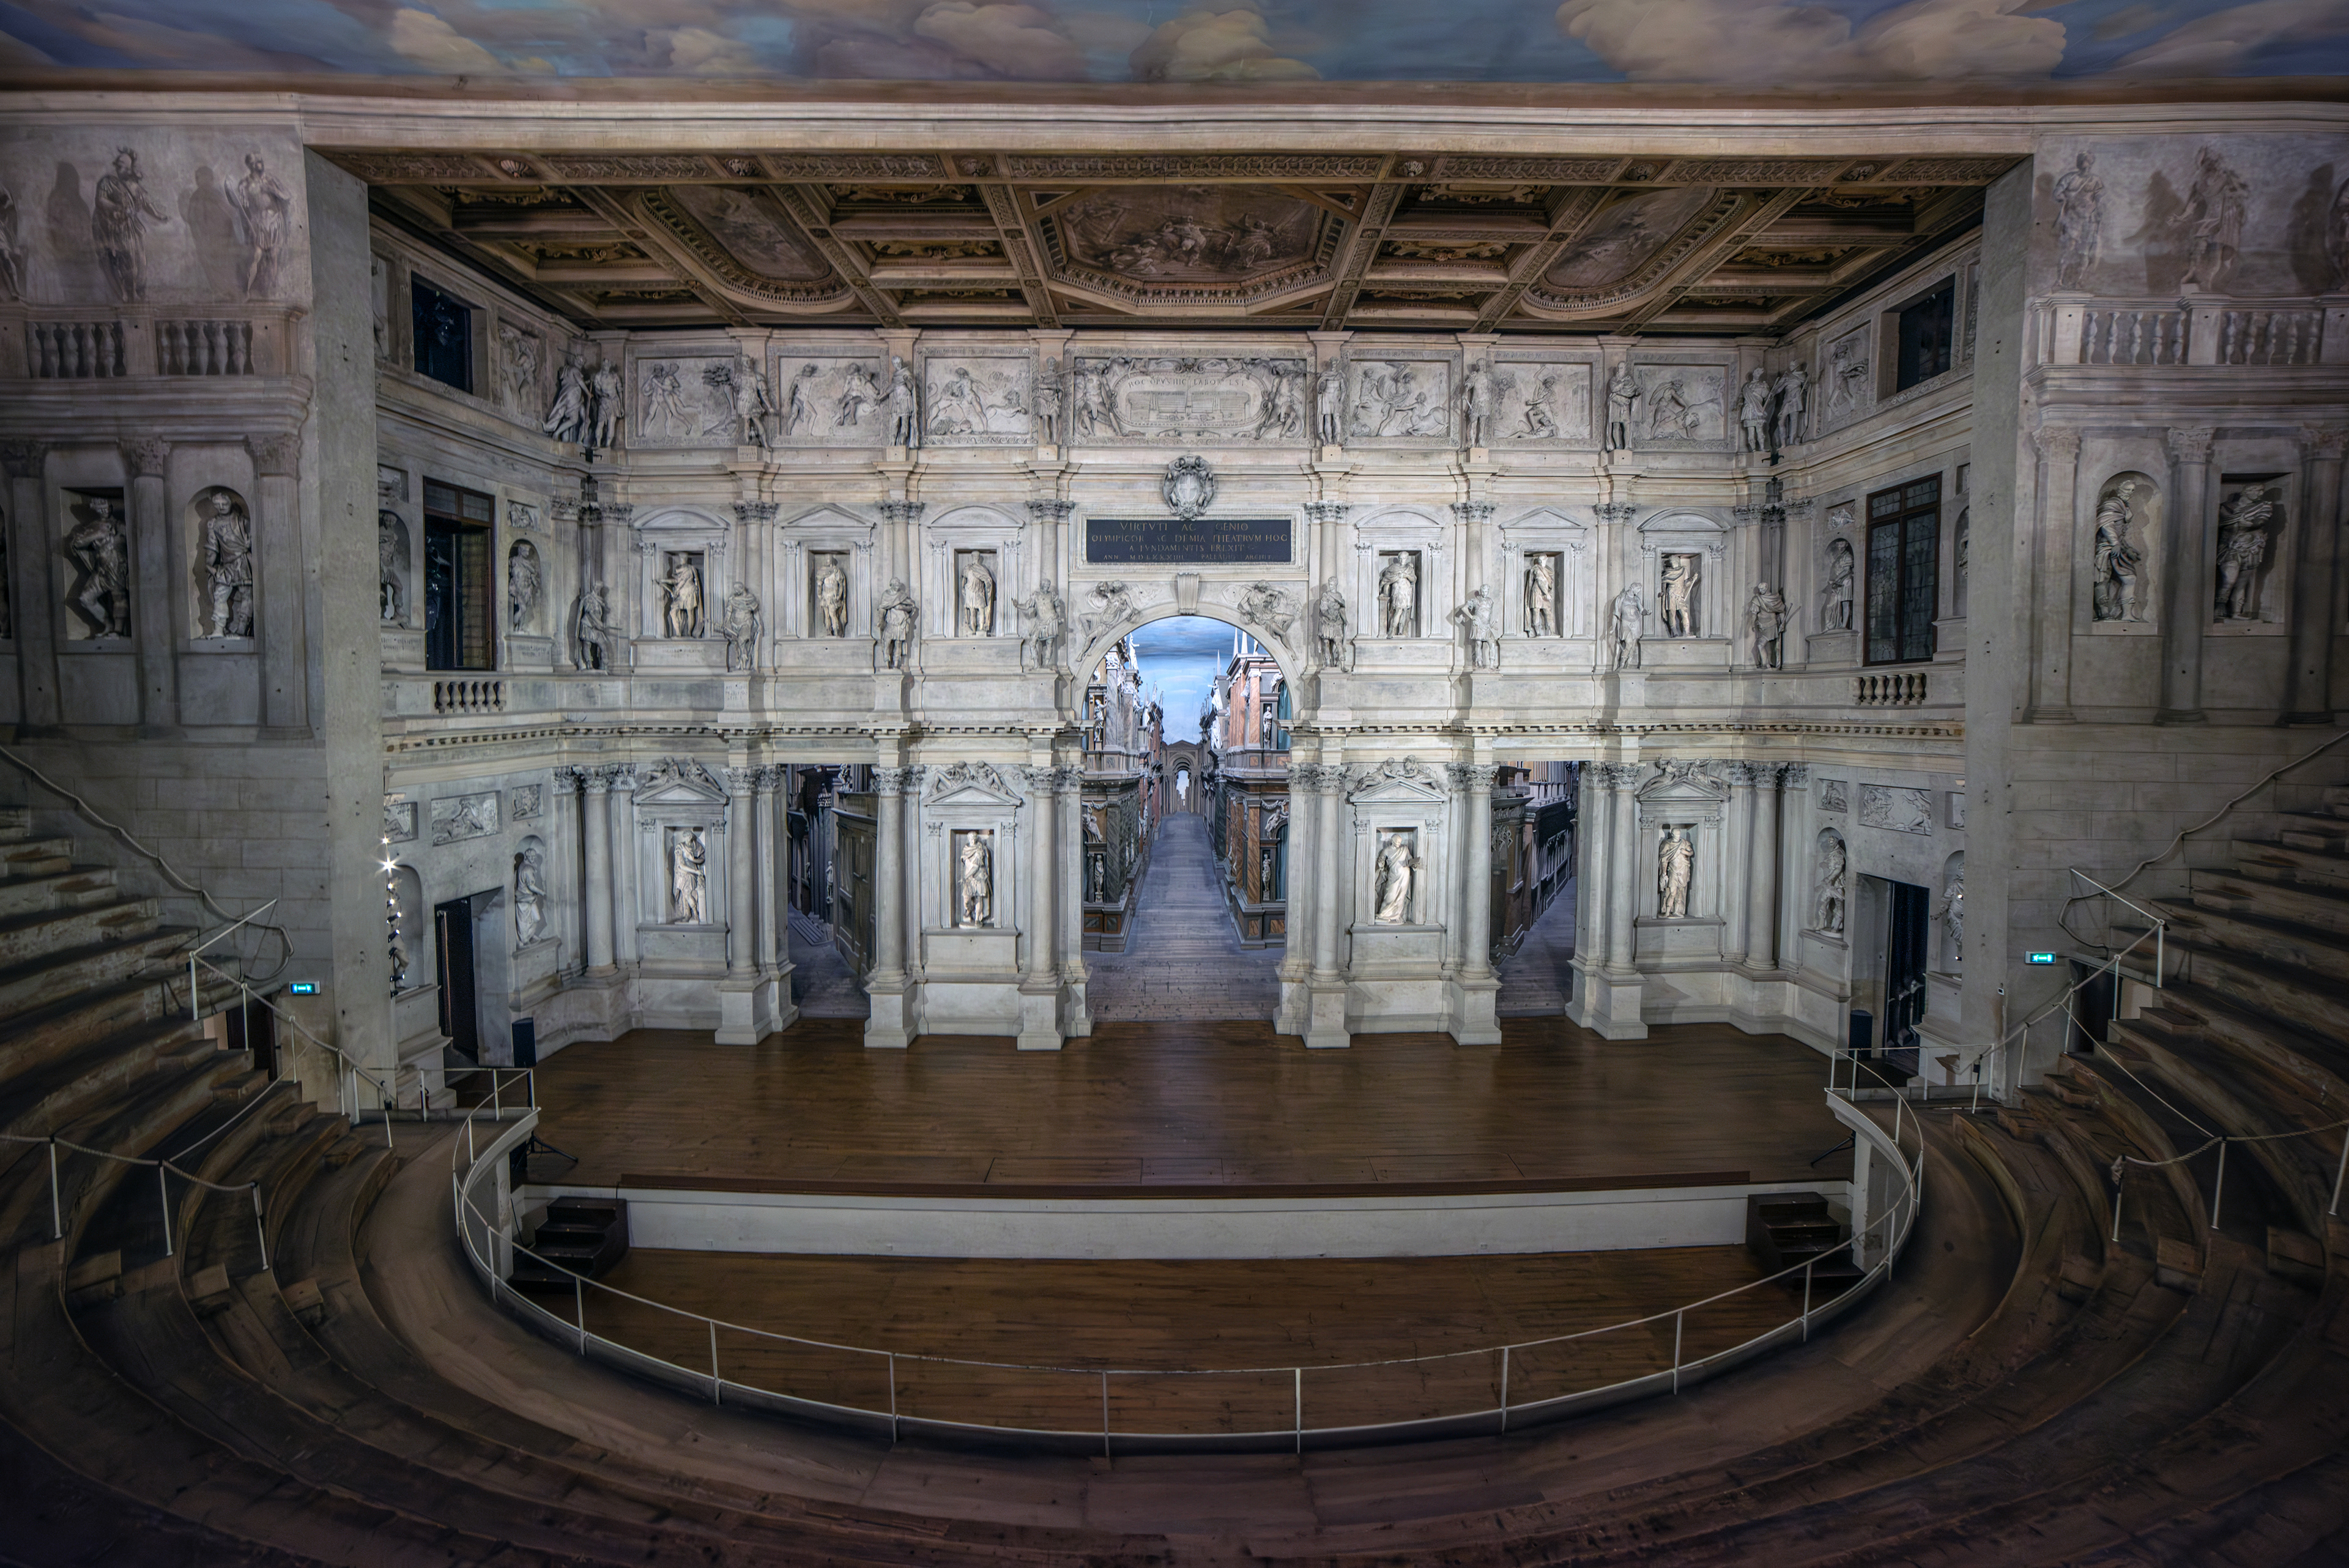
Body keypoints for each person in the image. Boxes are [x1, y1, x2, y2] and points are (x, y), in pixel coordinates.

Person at [229, 152, 293, 299]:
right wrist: (243, 202)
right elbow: (241, 205)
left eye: (261, 161)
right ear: (251, 166)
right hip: (258, 224)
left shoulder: (271, 179)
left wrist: (272, 190)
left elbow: (287, 196)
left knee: (273, 256)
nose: (261, 164)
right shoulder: (245, 184)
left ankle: (270, 289)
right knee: (256, 256)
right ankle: (248, 289)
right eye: (258, 162)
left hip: (274, 221)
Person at [196, 489, 254, 639]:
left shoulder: (243, 521)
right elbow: (212, 547)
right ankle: (219, 629)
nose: (221, 507)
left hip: (244, 562)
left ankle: (241, 630)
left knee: (246, 596)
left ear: (231, 502)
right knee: (219, 594)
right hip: (226, 565)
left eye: (224, 503)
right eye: (218, 504)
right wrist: (209, 565)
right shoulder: (213, 524)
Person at [669, 828, 708, 923]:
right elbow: (681, 865)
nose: (688, 838)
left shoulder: (696, 846)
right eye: (687, 836)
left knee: (687, 894)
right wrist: (696, 871)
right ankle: (688, 914)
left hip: (692, 874)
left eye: (690, 836)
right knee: (684, 895)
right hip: (683, 874)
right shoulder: (680, 847)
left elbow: (702, 858)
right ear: (685, 837)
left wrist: (693, 860)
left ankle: (695, 914)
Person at [1657, 826, 1694, 920]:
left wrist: (1685, 852)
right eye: (1676, 835)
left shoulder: (1685, 843)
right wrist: (1664, 873)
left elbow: (1691, 853)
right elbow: (1664, 860)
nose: (1678, 836)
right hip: (1673, 871)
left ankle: (1678, 911)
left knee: (1681, 892)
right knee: (1672, 892)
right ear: (1672, 835)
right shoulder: (1667, 844)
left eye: (1679, 834)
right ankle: (1667, 912)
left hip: (1683, 871)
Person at [814, 556, 850, 637]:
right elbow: (819, 584)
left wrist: (839, 595)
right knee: (827, 615)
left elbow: (841, 585)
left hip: (833, 597)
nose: (827, 561)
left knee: (832, 613)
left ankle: (836, 631)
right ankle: (828, 632)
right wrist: (820, 594)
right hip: (825, 597)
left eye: (829, 559)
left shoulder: (836, 571)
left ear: (832, 561)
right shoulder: (822, 572)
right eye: (826, 559)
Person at [1526, 553, 1557, 638]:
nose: (1546, 561)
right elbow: (1540, 581)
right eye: (1545, 560)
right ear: (1542, 561)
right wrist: (1547, 593)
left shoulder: (1545, 570)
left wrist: (1547, 593)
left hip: (1544, 593)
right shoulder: (1536, 569)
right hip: (1537, 593)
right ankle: (1538, 633)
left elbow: (1547, 581)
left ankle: (1552, 632)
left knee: (1549, 612)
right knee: (1536, 612)